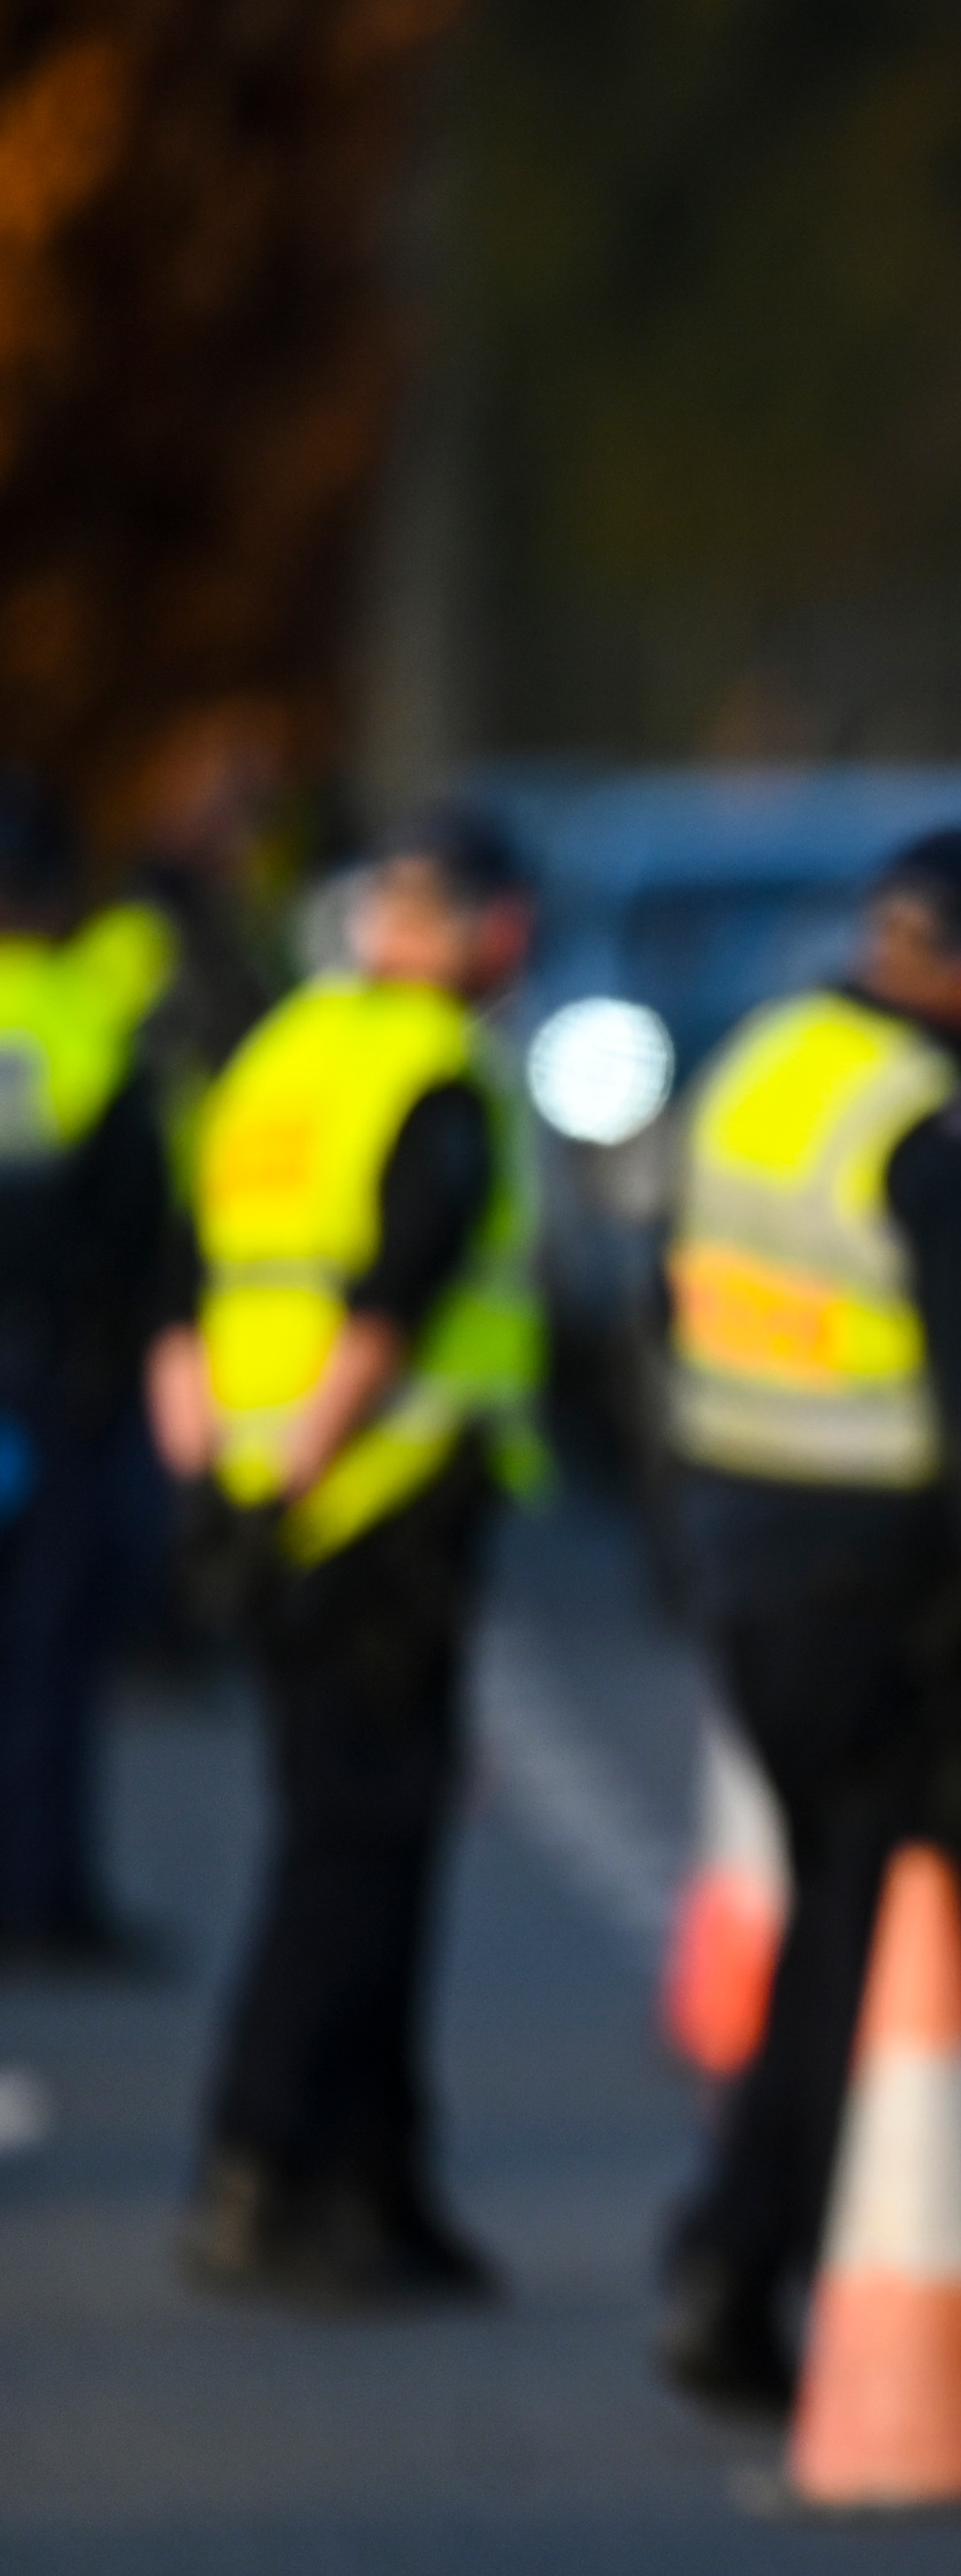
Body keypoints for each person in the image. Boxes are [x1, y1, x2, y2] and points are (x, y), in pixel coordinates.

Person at [655, 825, 961, 2407]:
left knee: (851, 1919)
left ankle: (801, 2248)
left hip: (749, 1548)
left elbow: (659, 1308)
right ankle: (750, 2260)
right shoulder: (934, 1127)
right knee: (870, 1938)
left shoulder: (763, 1065)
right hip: (884, 1584)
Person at [154, 802, 543, 2298]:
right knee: (356, 1859)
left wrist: (218, 1493)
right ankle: (265, 2163)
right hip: (378, 1503)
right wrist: (307, 1473)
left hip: (268, 1498)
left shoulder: (280, 1062)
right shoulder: (435, 1074)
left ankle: (380, 2184)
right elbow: (393, 1300)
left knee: (348, 1838)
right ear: (483, 926)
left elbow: (187, 1288)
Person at [0, 781, 171, 1965]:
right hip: (47, 1375)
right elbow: (137, 1216)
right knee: (49, 1649)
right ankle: (42, 1894)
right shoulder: (84, 1018)